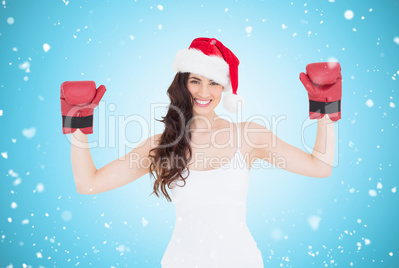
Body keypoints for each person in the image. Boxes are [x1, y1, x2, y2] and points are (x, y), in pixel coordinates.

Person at [60, 37, 341, 267]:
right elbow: (89, 184)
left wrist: (325, 110)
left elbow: (320, 167)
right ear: (182, 83)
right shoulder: (163, 143)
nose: (203, 91)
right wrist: (77, 124)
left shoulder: (248, 135)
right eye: (195, 80)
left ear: (225, 88)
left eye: (214, 82)